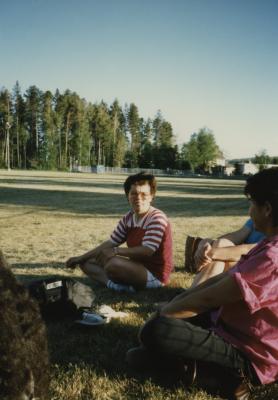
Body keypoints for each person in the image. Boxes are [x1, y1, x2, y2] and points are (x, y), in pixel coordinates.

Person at [127, 168, 278, 399]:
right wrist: (173, 305)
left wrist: (162, 315)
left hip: (249, 354)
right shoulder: (267, 245)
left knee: (157, 331)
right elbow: (220, 280)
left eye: (252, 204)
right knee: (141, 350)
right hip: (227, 326)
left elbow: (208, 299)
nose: (249, 210)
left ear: (267, 209)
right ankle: (188, 365)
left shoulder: (271, 258)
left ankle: (231, 378)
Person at [66, 172, 173, 292]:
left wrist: (116, 251)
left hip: (155, 274)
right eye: (134, 193)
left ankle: (124, 284)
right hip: (135, 267)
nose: (138, 198)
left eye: (144, 194)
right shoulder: (128, 218)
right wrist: (80, 258)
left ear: (152, 196)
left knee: (113, 264)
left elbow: (147, 251)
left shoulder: (157, 218)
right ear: (127, 195)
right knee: (86, 262)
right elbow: (111, 242)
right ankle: (117, 286)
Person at [191, 218, 265, 287]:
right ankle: (193, 294)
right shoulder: (258, 217)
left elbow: (254, 249)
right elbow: (237, 235)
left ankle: (192, 294)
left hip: (258, 269)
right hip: (242, 262)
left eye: (252, 204)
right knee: (221, 243)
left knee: (220, 249)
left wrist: (210, 253)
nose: (249, 210)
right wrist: (208, 243)